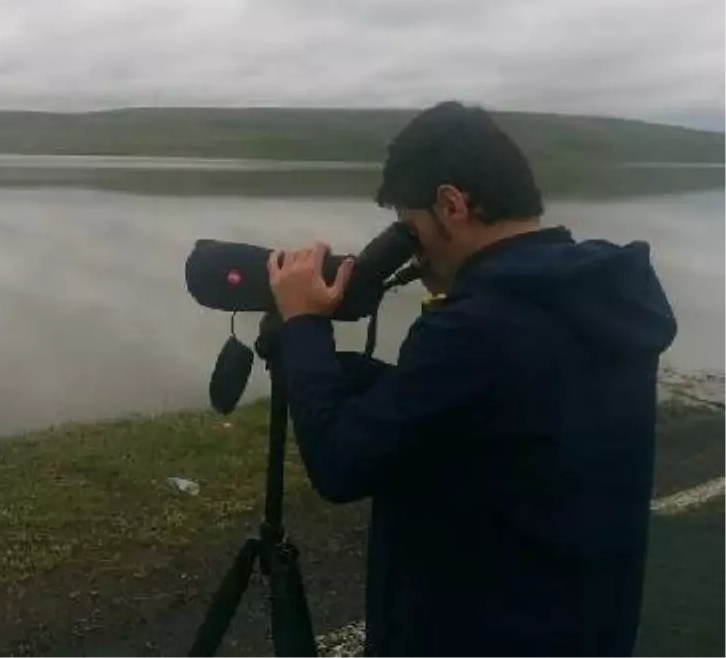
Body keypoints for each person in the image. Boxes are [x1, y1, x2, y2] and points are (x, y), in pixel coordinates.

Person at [267, 100, 678, 658]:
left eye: (412, 231)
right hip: (585, 621)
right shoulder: (596, 292)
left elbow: (341, 464)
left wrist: (304, 326)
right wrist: (363, 376)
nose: (418, 255)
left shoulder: (479, 326)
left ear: (452, 204)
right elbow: (506, 408)